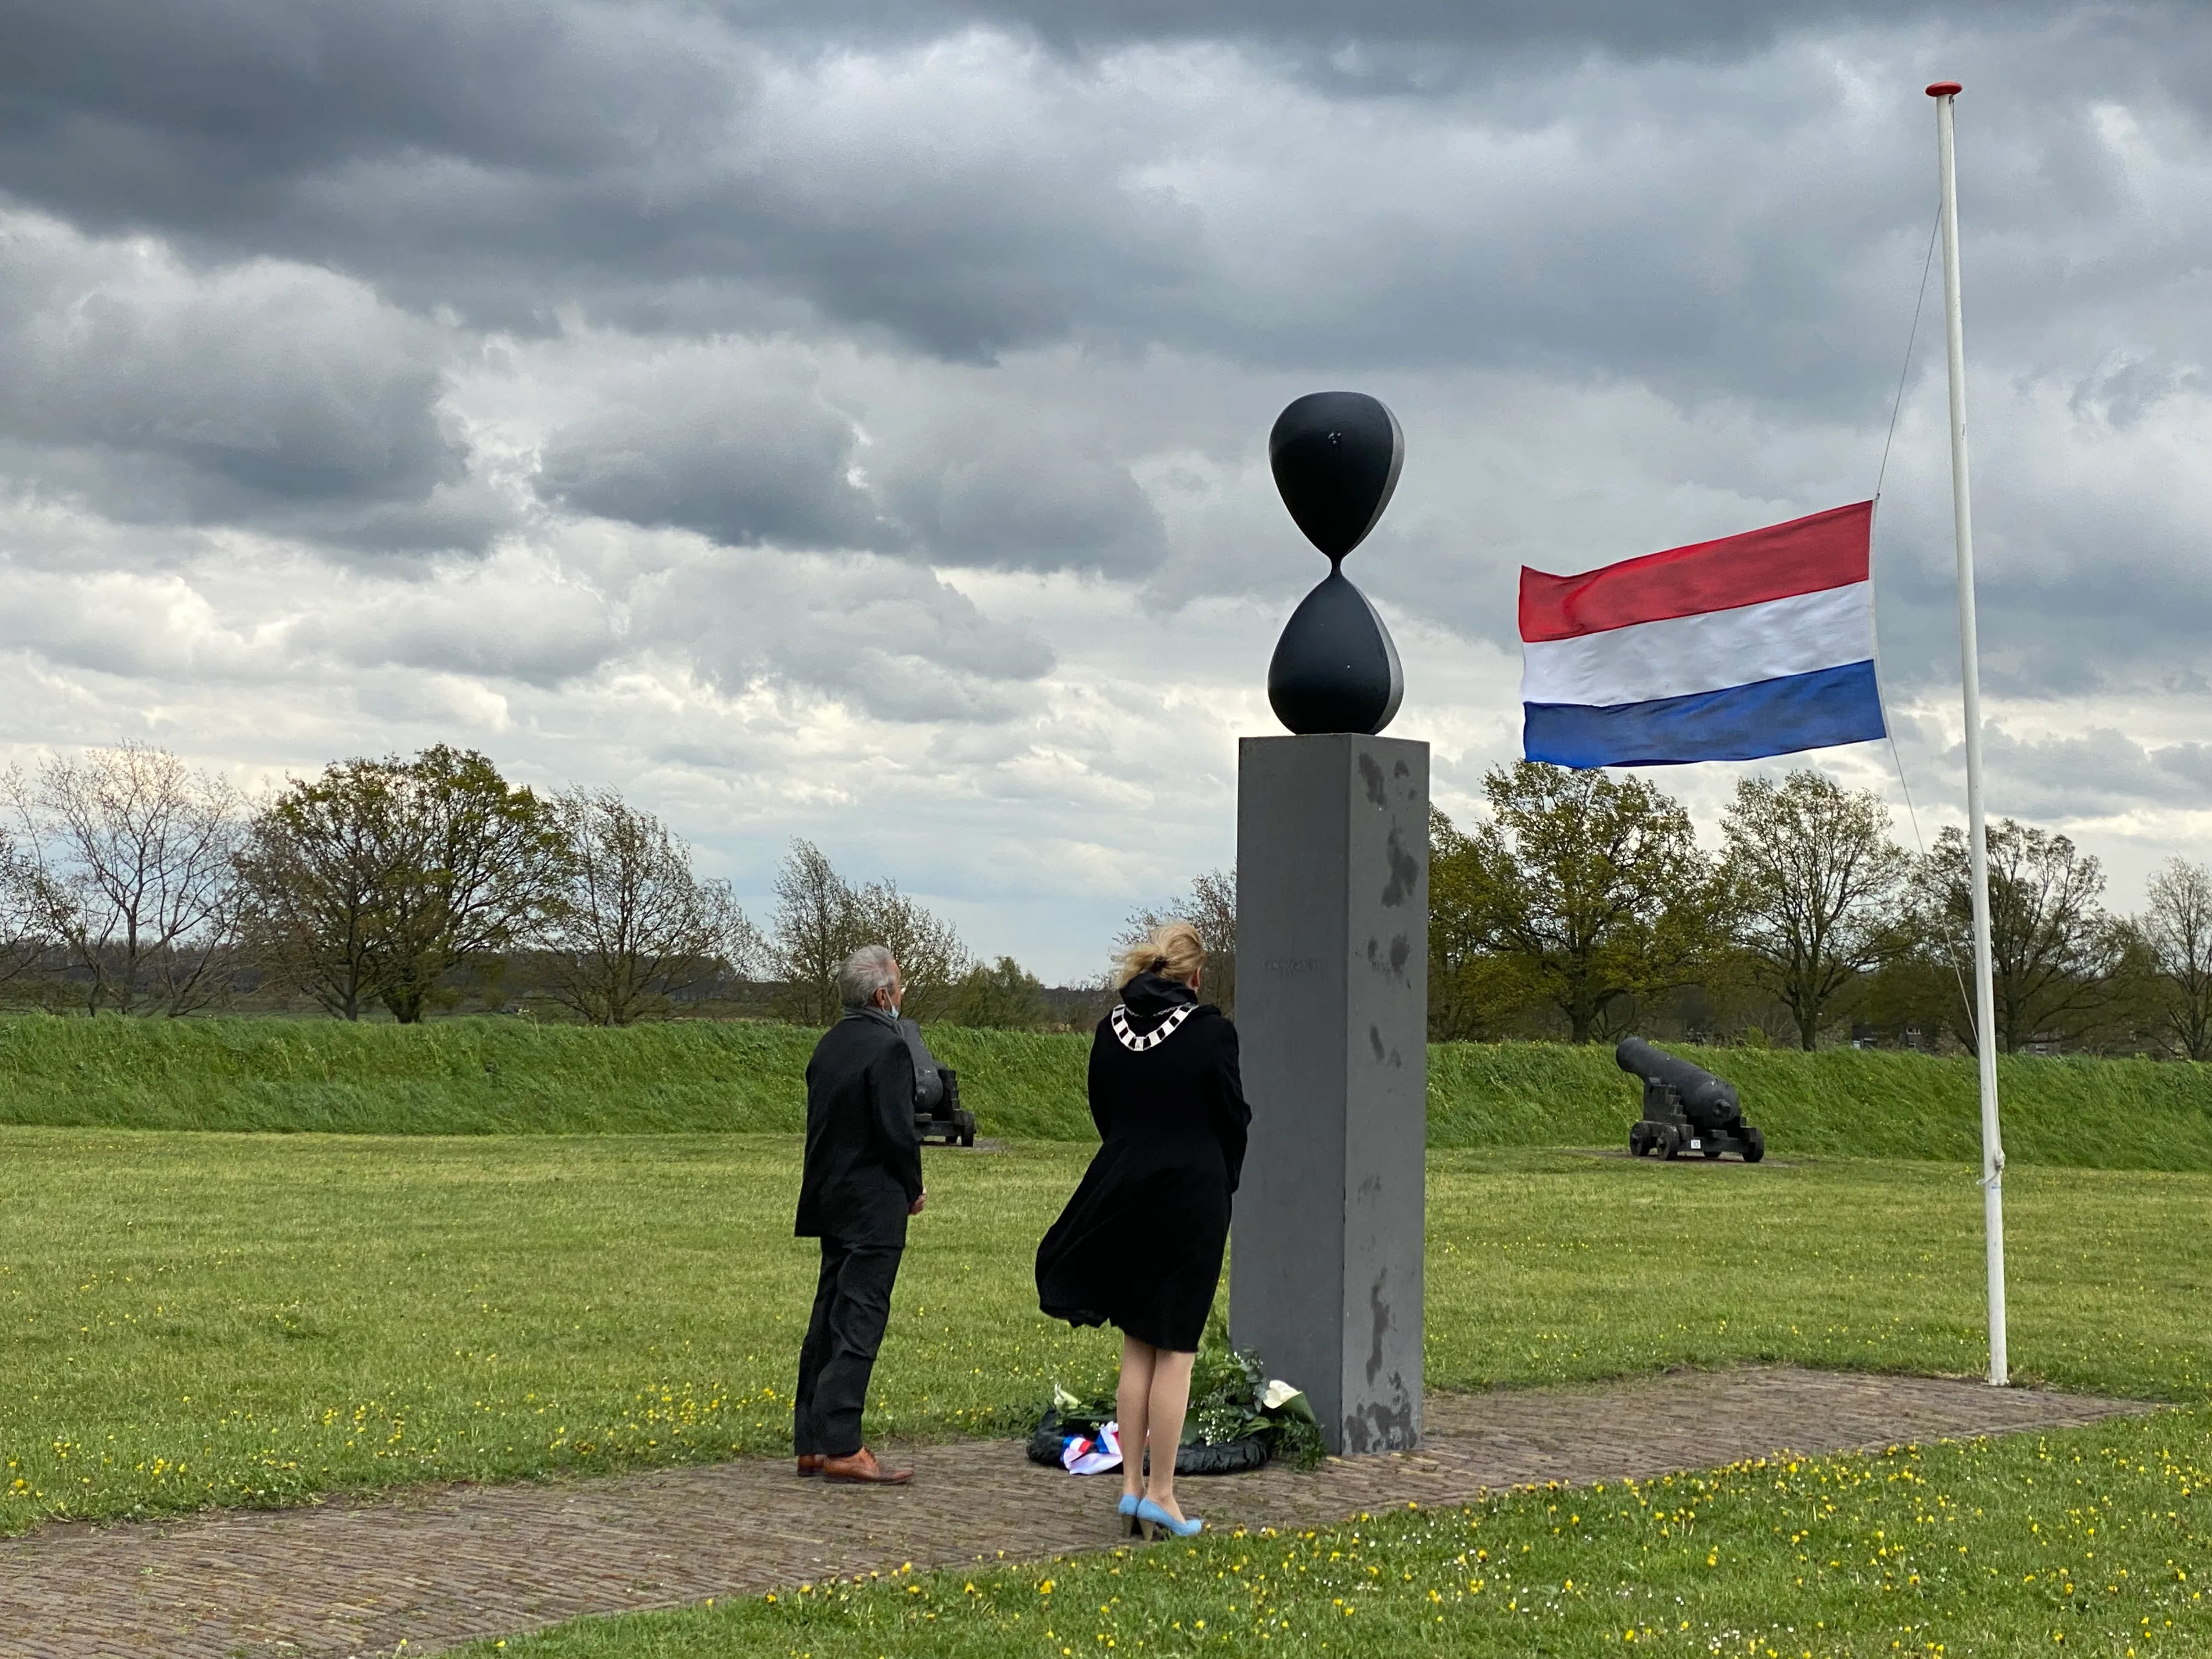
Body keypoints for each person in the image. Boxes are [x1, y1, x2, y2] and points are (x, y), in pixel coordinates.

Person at [1034, 920, 1250, 1540]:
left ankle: (1130, 1486)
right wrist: (1222, 1176)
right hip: (1190, 1195)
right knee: (1175, 1350)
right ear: (1196, 975)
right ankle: (1162, 1493)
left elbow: (1103, 1111)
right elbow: (1231, 1117)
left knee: (1137, 1342)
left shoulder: (1110, 1031)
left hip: (1125, 1188)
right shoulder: (1211, 1032)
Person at [793, 943, 926, 1485]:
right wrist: (913, 1186)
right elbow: (897, 1131)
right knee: (860, 1318)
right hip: (874, 1202)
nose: (902, 993)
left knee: (827, 1315)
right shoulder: (888, 1048)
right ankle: (844, 1443)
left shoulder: (829, 1045)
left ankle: (811, 1442)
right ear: (882, 996)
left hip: (832, 1196)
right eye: (898, 985)